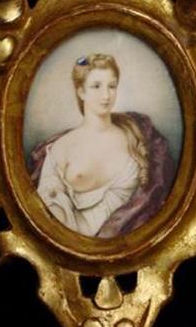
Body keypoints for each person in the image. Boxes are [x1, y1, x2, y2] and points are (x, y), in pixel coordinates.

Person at [28, 53, 175, 238]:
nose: (106, 95)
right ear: (81, 92)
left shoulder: (137, 134)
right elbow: (48, 217)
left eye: (111, 86)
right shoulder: (60, 148)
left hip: (132, 242)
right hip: (73, 245)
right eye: (96, 86)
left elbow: (156, 197)